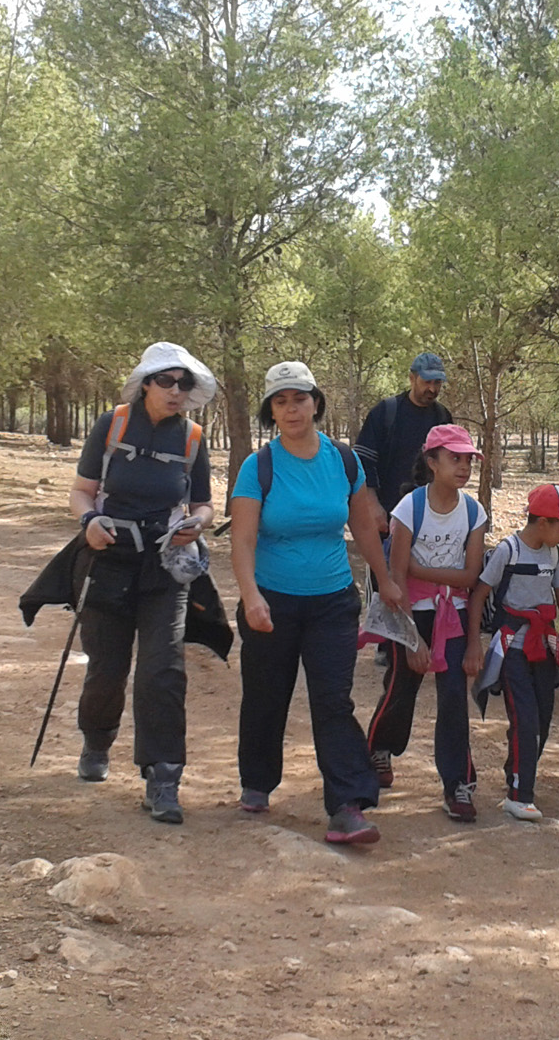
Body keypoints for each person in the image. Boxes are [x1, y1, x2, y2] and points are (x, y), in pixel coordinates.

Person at [229, 361, 404, 845]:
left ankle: (348, 804)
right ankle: (258, 782)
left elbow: (364, 526)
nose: (291, 409)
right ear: (270, 410)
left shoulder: (344, 461)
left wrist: (384, 581)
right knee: (267, 697)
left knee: (333, 700)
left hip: (331, 600)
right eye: (280, 402)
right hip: (272, 601)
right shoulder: (257, 467)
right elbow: (241, 541)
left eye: (299, 399)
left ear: (316, 404)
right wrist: (250, 597)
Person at [68, 342, 218, 824]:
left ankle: (163, 778)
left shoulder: (193, 438)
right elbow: (81, 491)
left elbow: (202, 504)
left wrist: (198, 523)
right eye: (168, 381)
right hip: (109, 558)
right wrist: (89, 520)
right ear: (146, 383)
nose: (177, 391)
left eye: (185, 384)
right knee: (107, 669)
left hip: (165, 565)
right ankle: (96, 739)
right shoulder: (111, 424)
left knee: (162, 670)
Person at [365, 424, 488, 819]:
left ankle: (458, 783)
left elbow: (471, 577)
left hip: (452, 616)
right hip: (410, 616)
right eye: (455, 458)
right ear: (431, 462)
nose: (464, 466)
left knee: (453, 696)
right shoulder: (410, 509)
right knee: (402, 686)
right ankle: (378, 749)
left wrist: (423, 570)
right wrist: (414, 640)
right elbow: (397, 579)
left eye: (469, 459)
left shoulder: (473, 512)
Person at [465, 484, 559, 821]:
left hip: (543, 646)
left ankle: (517, 769)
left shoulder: (553, 556)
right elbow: (480, 594)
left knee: (541, 719)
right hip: (512, 647)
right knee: (524, 718)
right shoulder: (508, 551)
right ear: (542, 522)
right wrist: (474, 645)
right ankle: (519, 794)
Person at [354, 353, 453, 529]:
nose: (432, 389)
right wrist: (373, 506)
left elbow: (449, 465)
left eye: (437, 382)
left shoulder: (443, 417)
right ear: (412, 379)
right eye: (427, 382)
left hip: (430, 517)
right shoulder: (386, 412)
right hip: (389, 514)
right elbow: (363, 463)